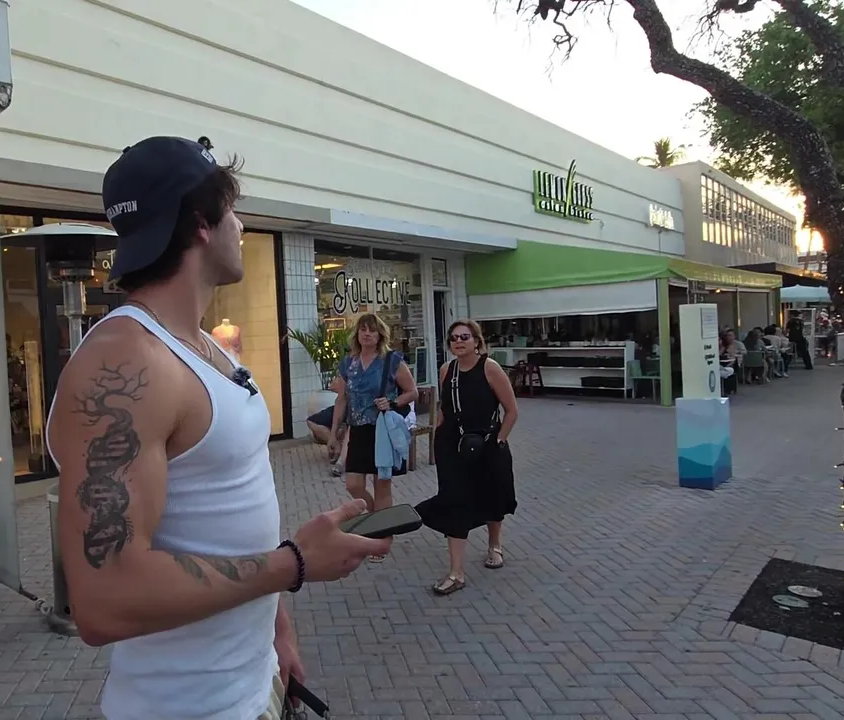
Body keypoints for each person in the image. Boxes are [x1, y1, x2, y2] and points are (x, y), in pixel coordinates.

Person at [46, 136, 389, 720]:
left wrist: (277, 631)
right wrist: (295, 562)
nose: (242, 226)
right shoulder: (126, 362)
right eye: (232, 211)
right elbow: (104, 601)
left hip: (254, 684)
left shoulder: (203, 346)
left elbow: (226, 517)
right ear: (202, 223)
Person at [416, 320, 518, 595]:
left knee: (494, 495)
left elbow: (511, 410)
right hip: (453, 446)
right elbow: (445, 409)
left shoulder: (490, 368)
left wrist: (499, 441)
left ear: (476, 341)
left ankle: (494, 545)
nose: (458, 342)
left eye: (464, 337)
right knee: (454, 502)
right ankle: (456, 572)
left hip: (486, 443)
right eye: (453, 338)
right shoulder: (446, 370)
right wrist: (438, 438)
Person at [327, 313, 419, 563]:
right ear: (357, 334)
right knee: (353, 485)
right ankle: (379, 518)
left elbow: (412, 392)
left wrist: (392, 402)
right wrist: (334, 433)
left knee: (382, 486)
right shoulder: (349, 363)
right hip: (358, 430)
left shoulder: (391, 360)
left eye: (372, 330)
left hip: (381, 431)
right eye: (363, 330)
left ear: (380, 335)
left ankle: (381, 540)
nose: (367, 334)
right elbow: (341, 399)